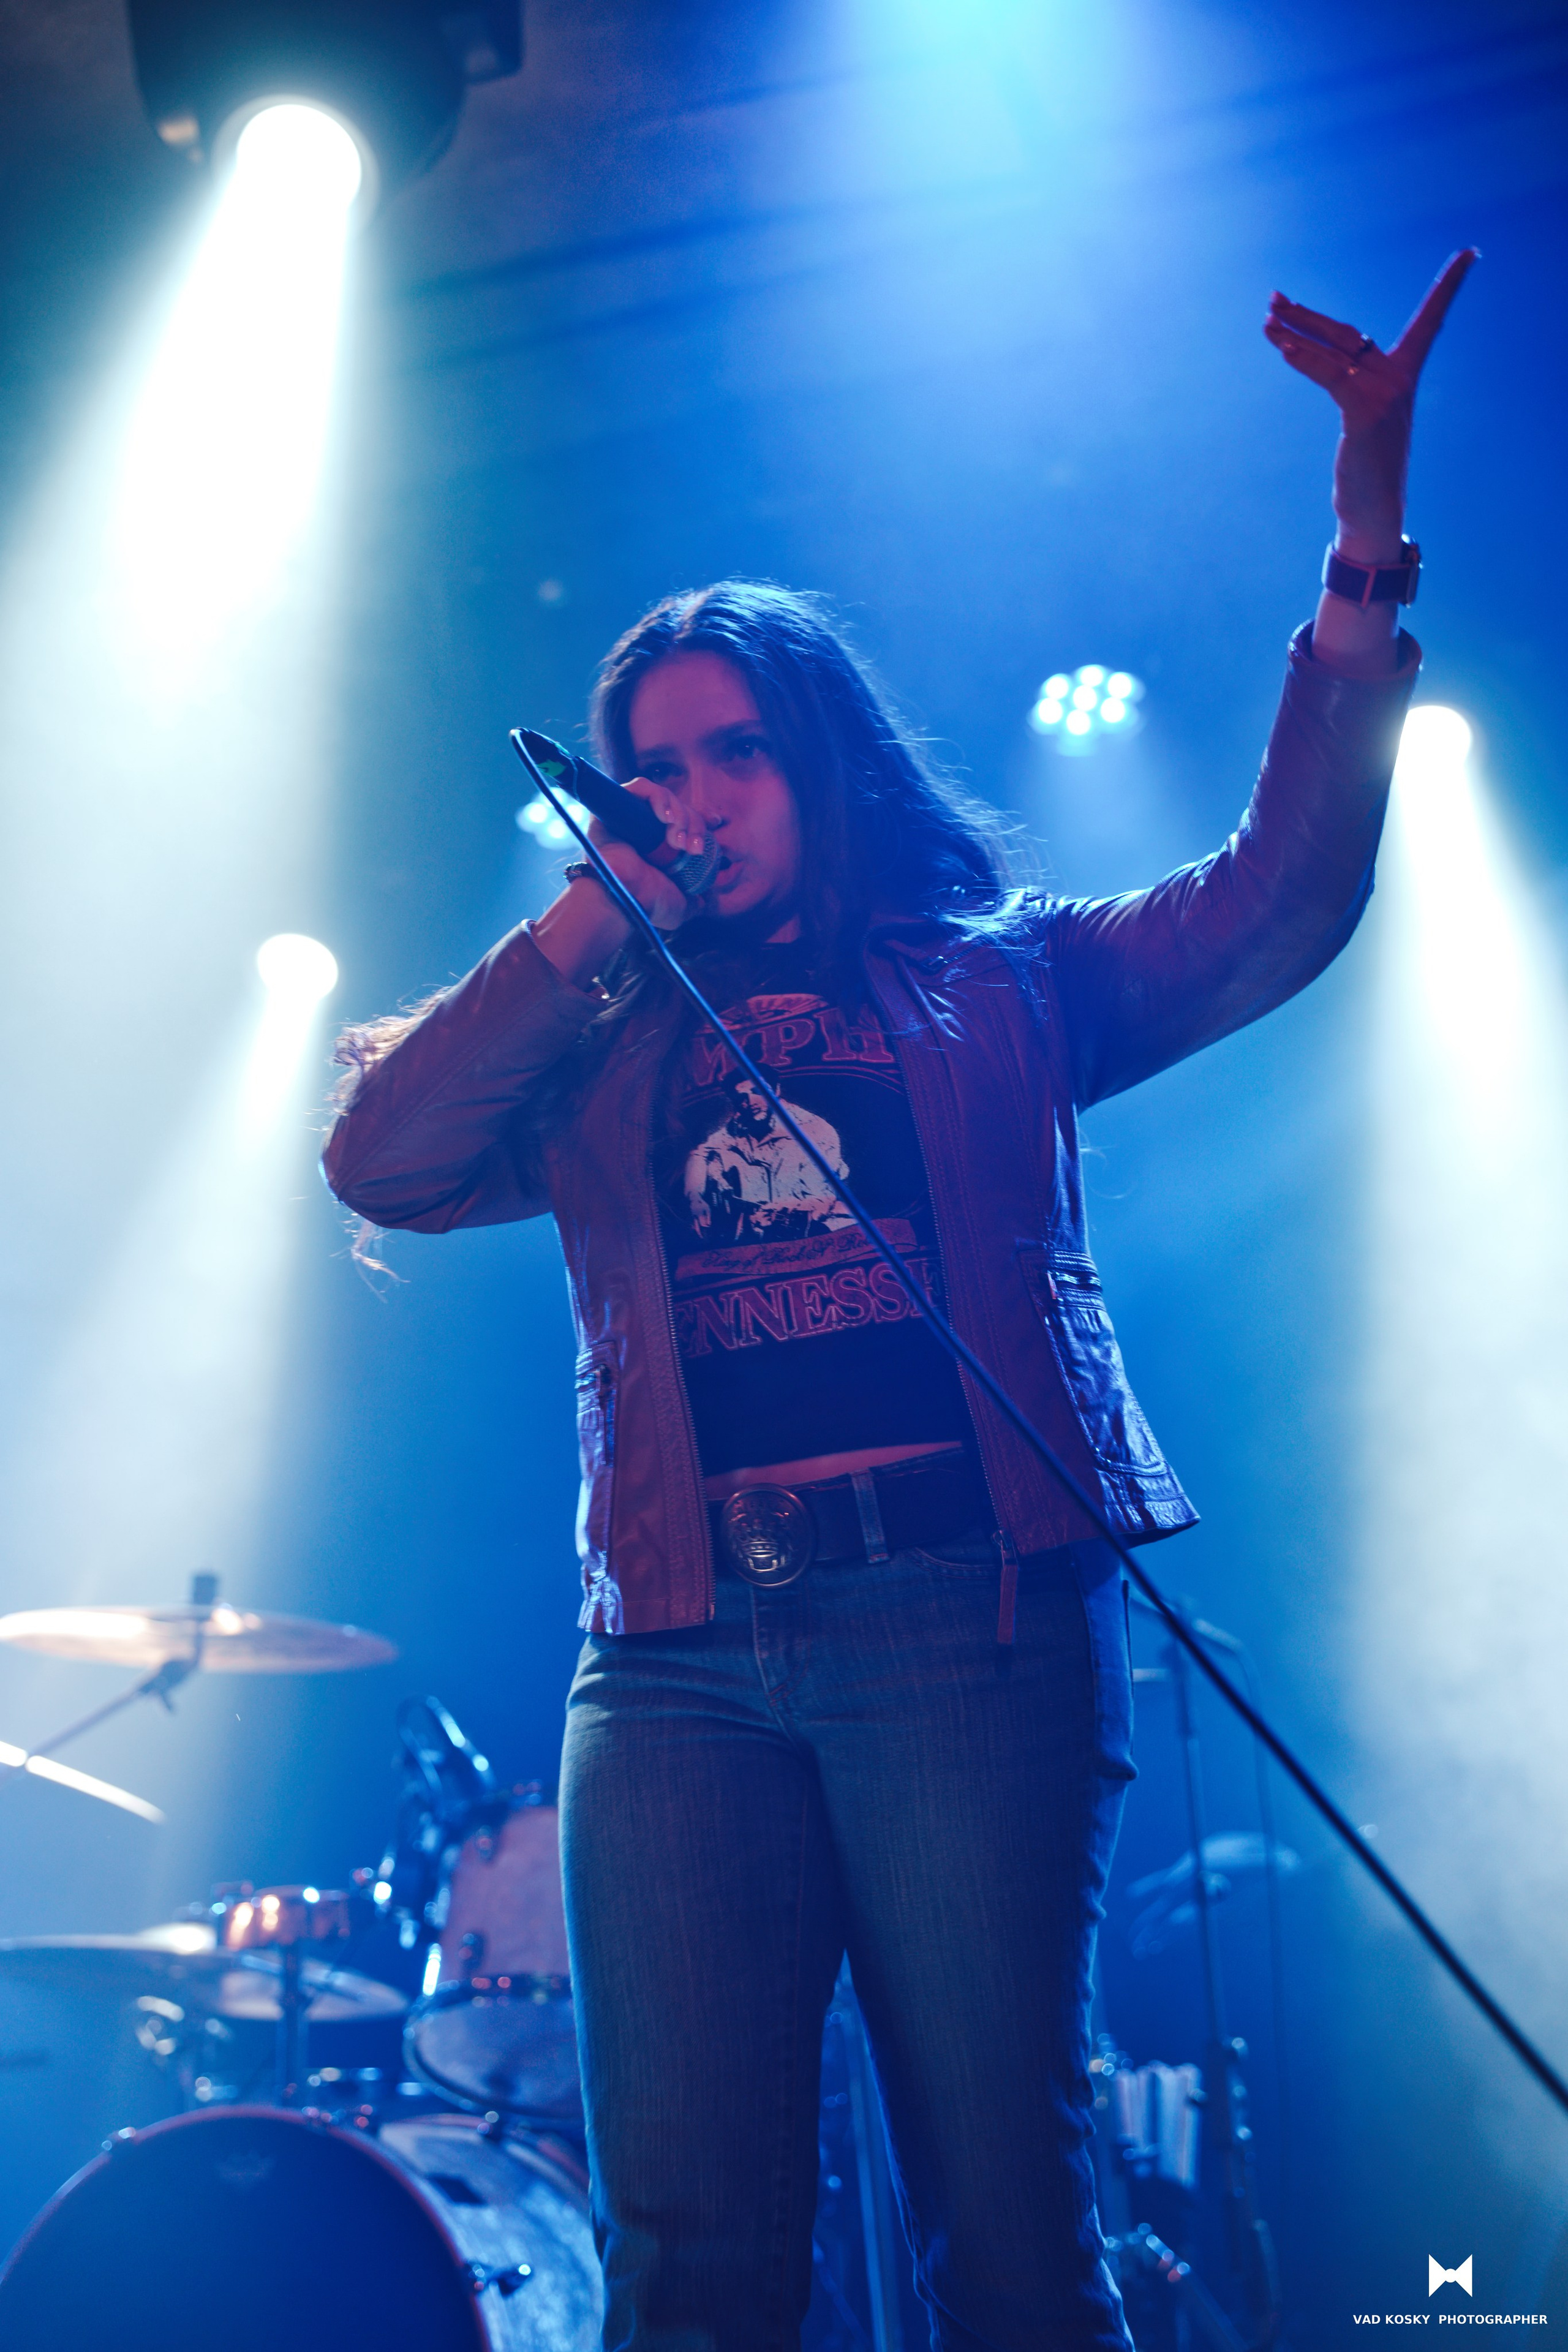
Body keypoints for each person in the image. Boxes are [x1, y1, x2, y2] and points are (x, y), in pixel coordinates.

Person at [323, 256, 1472, 2349]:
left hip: (964, 1626)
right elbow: (381, 1159)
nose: (695, 793)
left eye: (738, 752)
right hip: (675, 1660)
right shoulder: (599, 1025)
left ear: (822, 764)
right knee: (695, 2264)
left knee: (1015, 2246)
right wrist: (594, 915)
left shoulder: (1001, 979)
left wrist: (1366, 528)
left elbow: (1281, 900)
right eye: (652, 766)